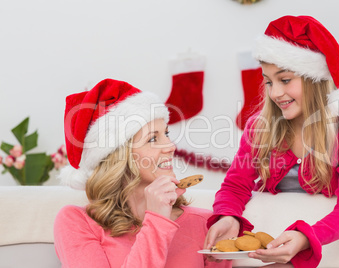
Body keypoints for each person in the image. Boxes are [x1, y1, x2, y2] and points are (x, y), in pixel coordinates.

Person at [204, 15, 339, 268]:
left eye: (284, 80)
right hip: (265, 250)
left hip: (326, 253)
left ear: (315, 79)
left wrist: (305, 237)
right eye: (268, 81)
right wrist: (228, 216)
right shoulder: (259, 129)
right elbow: (235, 186)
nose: (274, 93)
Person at [54, 78, 231, 268]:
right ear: (119, 157)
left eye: (166, 134)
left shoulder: (206, 224)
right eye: (153, 139)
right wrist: (158, 221)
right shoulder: (77, 222)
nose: (171, 147)